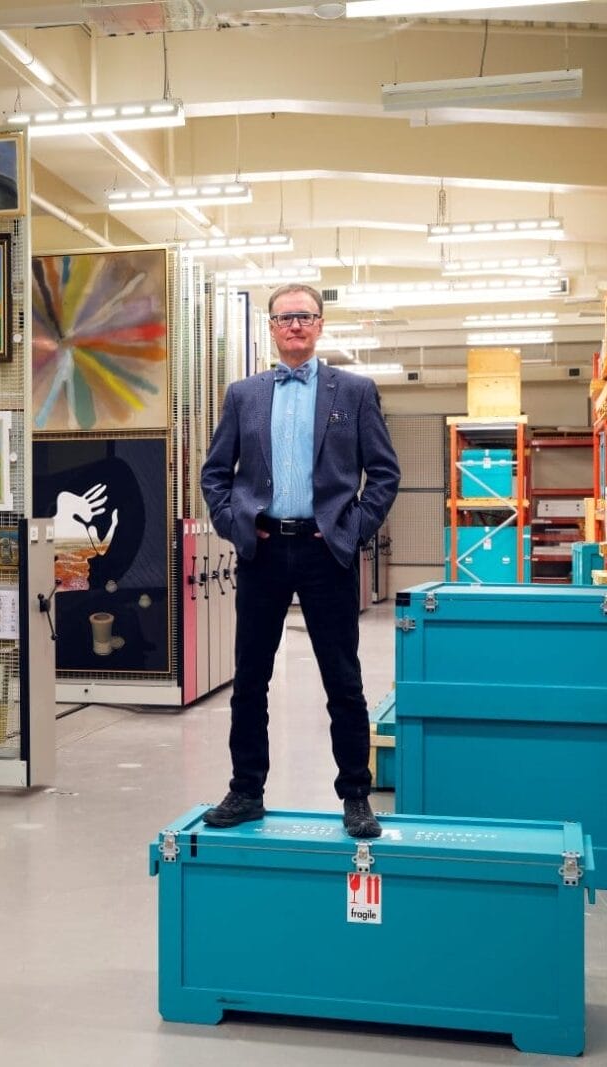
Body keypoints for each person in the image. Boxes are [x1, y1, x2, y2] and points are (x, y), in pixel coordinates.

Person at [199, 283, 401, 839]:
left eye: (305, 316)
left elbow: (383, 472)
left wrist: (355, 528)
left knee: (343, 680)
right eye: (285, 317)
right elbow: (215, 473)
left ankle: (356, 795)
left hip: (325, 550)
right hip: (263, 551)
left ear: (319, 325)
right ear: (271, 327)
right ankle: (246, 791)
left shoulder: (354, 391)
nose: (294, 325)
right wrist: (232, 522)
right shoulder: (244, 394)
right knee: (250, 680)